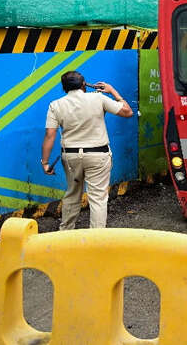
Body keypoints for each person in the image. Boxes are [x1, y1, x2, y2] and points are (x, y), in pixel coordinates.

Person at [42, 71, 134, 230]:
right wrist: (112, 91)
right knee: (98, 198)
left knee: (72, 194)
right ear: (84, 84)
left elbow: (50, 135)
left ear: (64, 88)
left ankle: (65, 233)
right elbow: (128, 112)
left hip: (71, 157)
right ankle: (95, 240)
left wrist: (45, 162)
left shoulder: (55, 105)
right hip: (98, 155)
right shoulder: (98, 98)